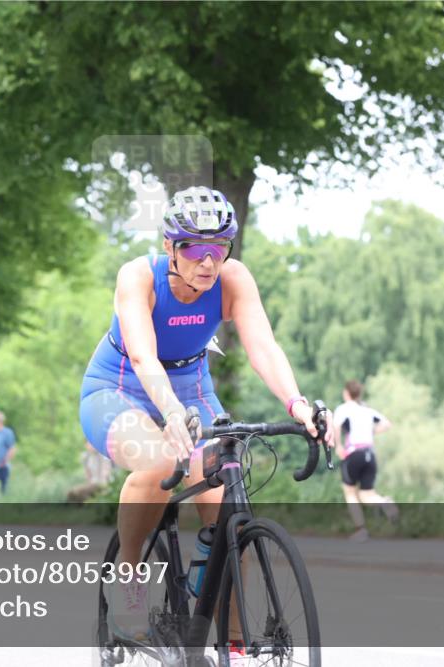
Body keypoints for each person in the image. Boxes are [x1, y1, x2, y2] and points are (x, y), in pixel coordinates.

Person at [78, 187, 331, 644]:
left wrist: (297, 404)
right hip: (119, 388)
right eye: (195, 249)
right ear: (170, 247)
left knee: (225, 502)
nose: (209, 262)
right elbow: (143, 356)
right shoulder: (138, 277)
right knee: (158, 463)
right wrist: (170, 412)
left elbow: (263, 347)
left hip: (193, 392)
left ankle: (233, 640)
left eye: (219, 248)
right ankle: (129, 579)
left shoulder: (233, 280)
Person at [332, 380, 397, 542]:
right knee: (367, 495)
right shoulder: (367, 410)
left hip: (354, 453)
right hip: (369, 454)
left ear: (346, 393)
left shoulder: (344, 408)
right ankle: (384, 502)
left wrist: (338, 446)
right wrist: (371, 431)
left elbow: (336, 426)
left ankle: (361, 530)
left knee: (350, 493)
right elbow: (387, 424)